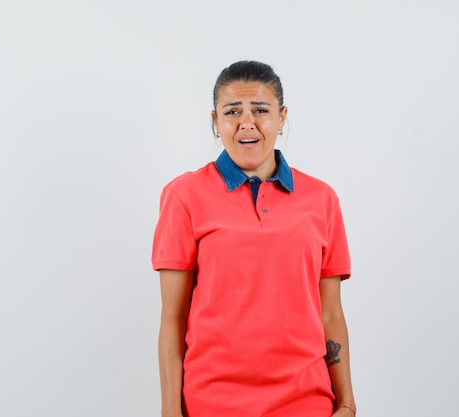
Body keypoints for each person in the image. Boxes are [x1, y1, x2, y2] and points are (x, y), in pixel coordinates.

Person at [152, 61, 356, 417]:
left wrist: (347, 404)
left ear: (281, 117)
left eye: (261, 110)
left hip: (306, 404)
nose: (247, 122)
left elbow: (331, 313)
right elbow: (173, 317)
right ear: (216, 121)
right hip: (211, 405)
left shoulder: (322, 199)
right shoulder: (184, 196)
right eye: (233, 111)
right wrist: (171, 411)